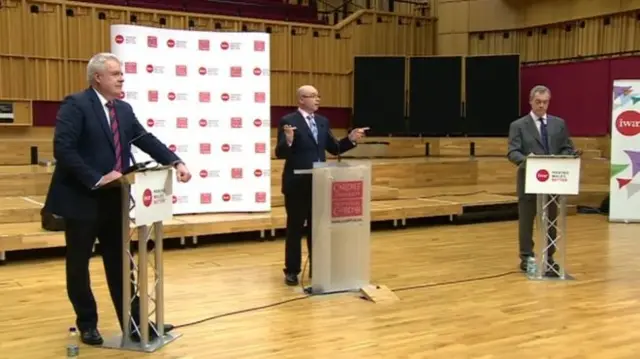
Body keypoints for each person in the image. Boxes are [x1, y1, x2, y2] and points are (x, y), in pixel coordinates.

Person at [42, 53, 192, 345]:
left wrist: (175, 162)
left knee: (122, 263)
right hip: (82, 198)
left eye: (122, 73)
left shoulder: (123, 109)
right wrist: (97, 177)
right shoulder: (76, 104)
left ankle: (134, 322)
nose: (122, 78)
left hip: (115, 199)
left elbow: (144, 139)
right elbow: (64, 149)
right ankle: (87, 323)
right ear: (98, 77)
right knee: (78, 263)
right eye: (115, 74)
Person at [275, 85, 369, 286]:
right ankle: (292, 270)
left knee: (317, 228)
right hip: (297, 184)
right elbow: (280, 153)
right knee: (295, 228)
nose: (317, 99)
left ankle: (317, 267)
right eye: (313, 96)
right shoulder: (289, 121)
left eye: (318, 95)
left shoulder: (322, 121)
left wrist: (350, 139)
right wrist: (289, 141)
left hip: (318, 183)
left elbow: (334, 148)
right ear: (301, 99)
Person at [507, 85, 579, 276]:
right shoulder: (518, 125)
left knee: (551, 220)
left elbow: (566, 147)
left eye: (545, 102)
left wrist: (566, 156)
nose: (541, 106)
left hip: (553, 181)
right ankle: (527, 257)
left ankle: (549, 257)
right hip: (529, 180)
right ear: (531, 102)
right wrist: (527, 161)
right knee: (526, 221)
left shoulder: (559, 124)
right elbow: (512, 152)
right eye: (538, 102)